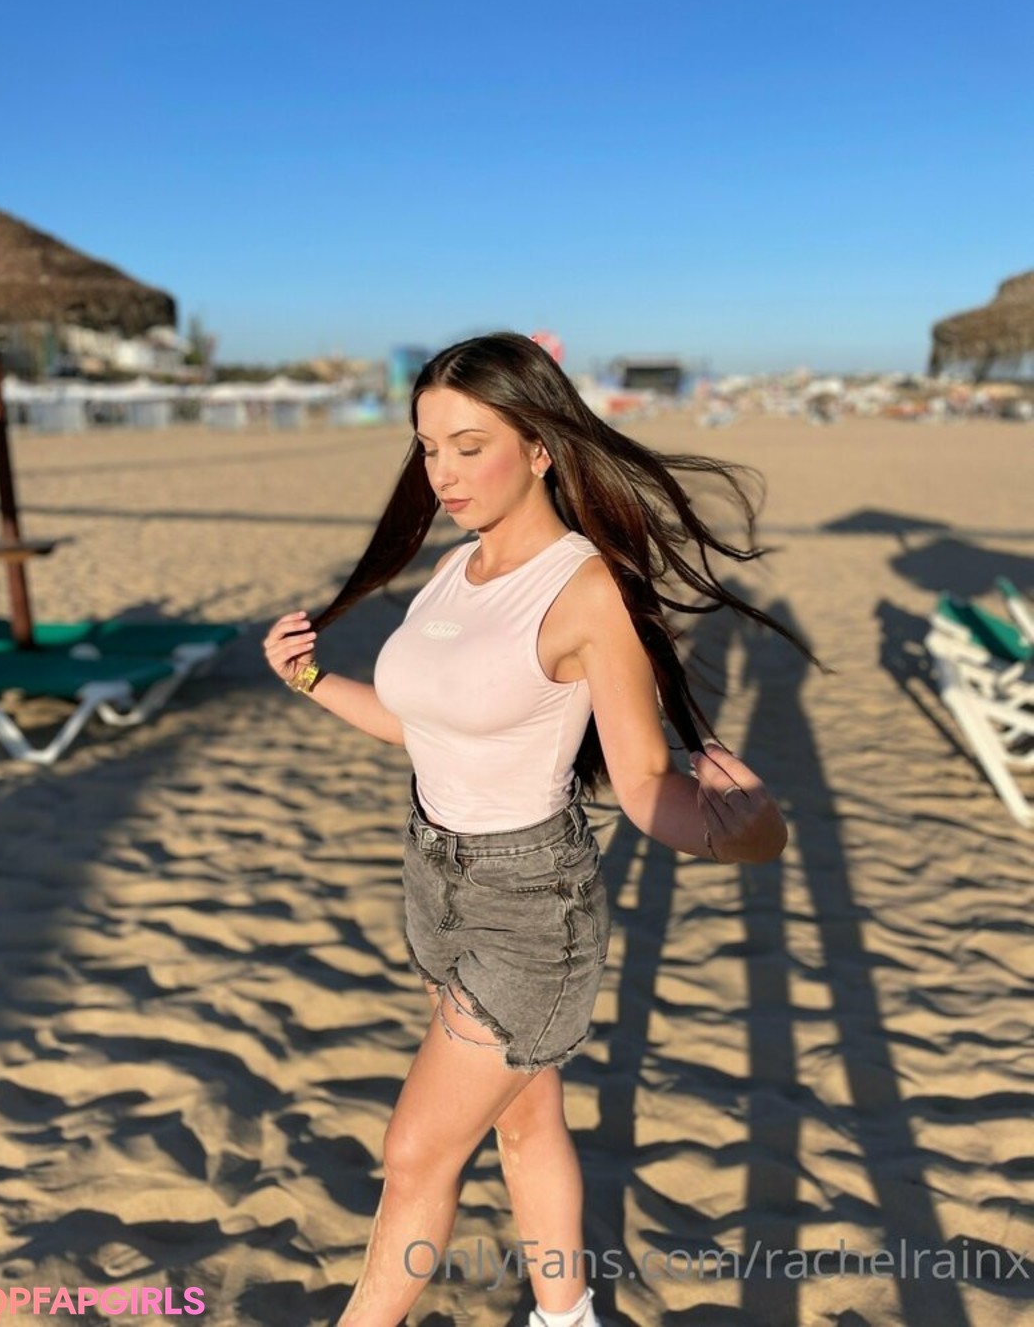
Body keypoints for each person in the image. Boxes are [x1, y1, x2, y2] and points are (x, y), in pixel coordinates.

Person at [263, 332, 813, 1327]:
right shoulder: (456, 567)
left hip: (529, 909)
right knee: (525, 1118)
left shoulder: (586, 590)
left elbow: (642, 782)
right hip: (434, 882)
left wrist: (751, 835)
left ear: (541, 447)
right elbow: (425, 727)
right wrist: (310, 679)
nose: (443, 473)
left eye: (470, 446)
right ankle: (569, 1317)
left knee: (415, 1152)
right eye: (429, 448)